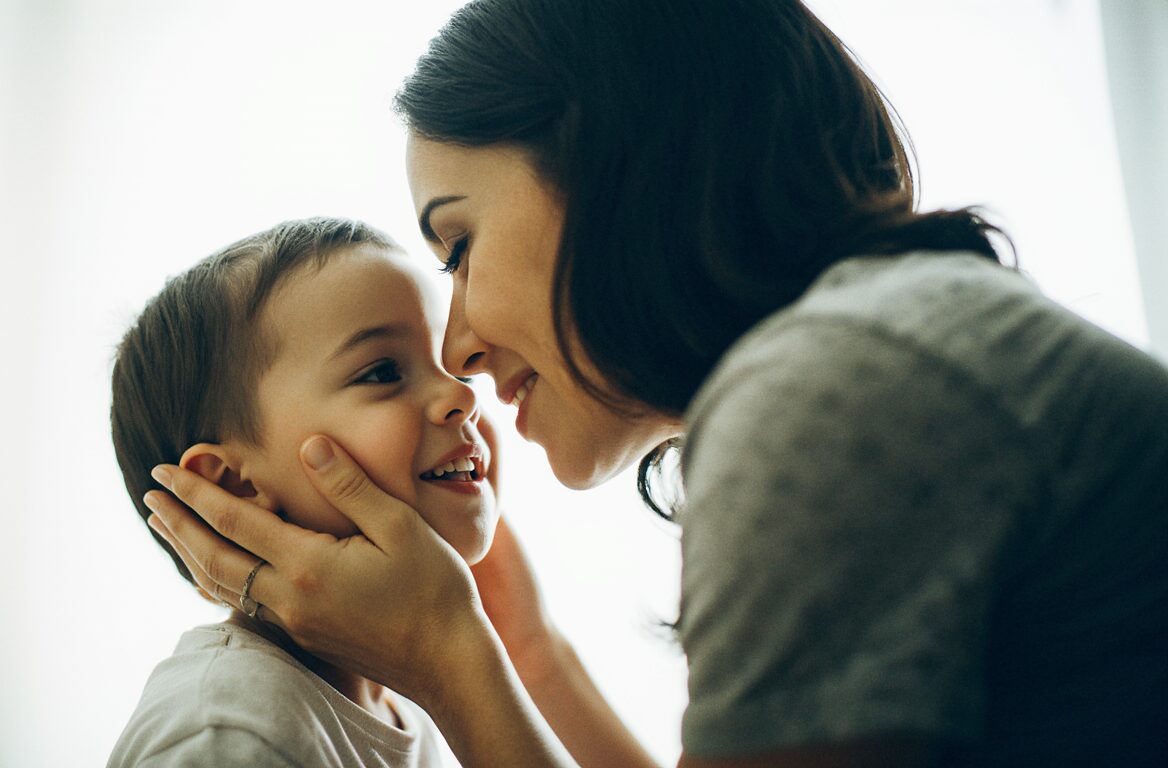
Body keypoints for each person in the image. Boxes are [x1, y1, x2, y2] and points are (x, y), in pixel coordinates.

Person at [141, 1, 1168, 766]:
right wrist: (525, 654)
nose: (457, 353)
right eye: (378, 366)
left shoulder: (838, 387)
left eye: (457, 245)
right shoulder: (890, 341)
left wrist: (448, 657)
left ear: (613, 175)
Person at [109, 217, 499, 767]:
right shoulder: (228, 731)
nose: (461, 394)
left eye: (444, 361)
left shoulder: (406, 709)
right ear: (236, 487)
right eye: (384, 372)